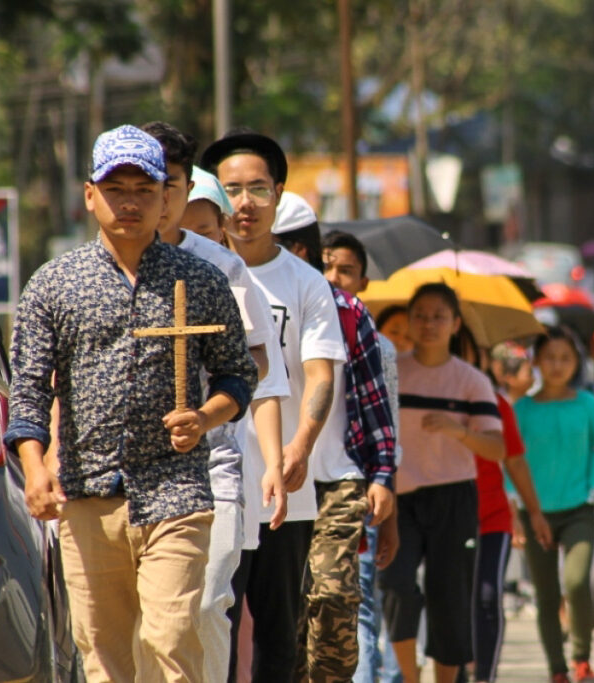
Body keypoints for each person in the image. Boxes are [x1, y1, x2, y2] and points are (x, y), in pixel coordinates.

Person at [4, 124, 258, 682]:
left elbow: (239, 376)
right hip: (87, 496)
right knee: (105, 658)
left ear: (168, 199)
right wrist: (33, 467)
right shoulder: (54, 285)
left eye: (145, 190)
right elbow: (27, 390)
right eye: (116, 189)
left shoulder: (201, 278)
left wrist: (204, 417)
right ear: (90, 194)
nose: (131, 202)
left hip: (176, 492)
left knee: (170, 640)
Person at [141, 120, 292, 683]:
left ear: (185, 188)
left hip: (214, 466)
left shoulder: (222, 266)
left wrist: (212, 414)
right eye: (140, 185)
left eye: (169, 185)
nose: (155, 200)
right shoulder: (93, 271)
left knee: (206, 606)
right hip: (126, 472)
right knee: (147, 625)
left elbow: (259, 366)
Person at [201, 129, 346, 683]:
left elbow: (319, 373)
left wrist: (299, 446)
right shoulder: (194, 273)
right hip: (211, 483)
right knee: (215, 621)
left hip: (285, 486)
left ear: (279, 194)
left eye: (257, 188)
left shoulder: (307, 284)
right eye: (232, 189)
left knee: (280, 632)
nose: (245, 203)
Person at [270, 196, 398, 681]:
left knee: (334, 596)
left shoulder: (345, 310)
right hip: (268, 479)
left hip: (334, 478)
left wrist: (383, 476)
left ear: (300, 250)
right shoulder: (233, 293)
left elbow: (375, 403)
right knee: (284, 613)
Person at [379, 283, 506, 683]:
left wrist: (459, 431)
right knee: (396, 585)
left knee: (449, 597)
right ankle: (409, 676)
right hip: (399, 499)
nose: (429, 324)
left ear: (455, 325)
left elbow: (497, 448)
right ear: (409, 321)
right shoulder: (391, 371)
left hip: (453, 497)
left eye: (439, 316)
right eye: (421, 315)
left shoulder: (471, 381)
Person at [513, 326, 594, 683]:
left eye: (565, 358)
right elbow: (510, 463)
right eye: (550, 358)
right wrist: (515, 516)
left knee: (577, 583)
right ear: (536, 362)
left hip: (579, 509)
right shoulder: (522, 410)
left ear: (577, 362)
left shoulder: (589, 404)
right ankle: (557, 670)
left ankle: (582, 659)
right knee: (546, 595)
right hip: (534, 513)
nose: (557, 365)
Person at [319, 229, 406, 683]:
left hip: (355, 496)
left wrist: (387, 511)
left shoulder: (379, 346)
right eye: (326, 266)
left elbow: (386, 428)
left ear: (363, 282)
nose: (333, 277)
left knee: (359, 615)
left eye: (346, 270)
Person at [456, 331, 551, 683]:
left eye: (471, 354)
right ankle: (456, 672)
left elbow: (516, 462)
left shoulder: (496, 403)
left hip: (492, 517)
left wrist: (534, 512)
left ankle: (485, 676)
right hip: (446, 518)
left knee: (487, 596)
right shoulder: (425, 400)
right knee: (453, 599)